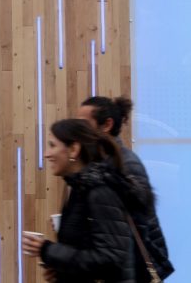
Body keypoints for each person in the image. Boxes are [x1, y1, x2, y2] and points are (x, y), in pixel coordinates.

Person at [23, 119, 140, 282]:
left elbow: (110, 258)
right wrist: (62, 272)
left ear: (73, 149)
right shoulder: (80, 188)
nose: (46, 154)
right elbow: (87, 251)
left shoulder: (100, 191)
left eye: (52, 145)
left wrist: (47, 250)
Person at [78, 96, 174, 281]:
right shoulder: (98, 163)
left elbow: (134, 228)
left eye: (83, 123)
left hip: (134, 270)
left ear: (106, 125)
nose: (77, 129)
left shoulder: (125, 165)